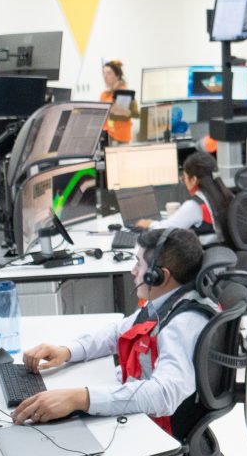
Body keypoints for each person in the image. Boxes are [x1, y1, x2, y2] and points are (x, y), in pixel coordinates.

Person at [12, 228, 213, 431]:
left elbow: (164, 394)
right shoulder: (168, 301)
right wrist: (67, 351)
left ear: (160, 276)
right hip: (143, 411)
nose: (133, 271)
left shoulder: (183, 325)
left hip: (156, 429)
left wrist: (81, 398)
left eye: (139, 264)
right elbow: (119, 331)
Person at [135, 149, 234, 246]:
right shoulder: (227, 196)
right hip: (226, 251)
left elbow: (166, 230)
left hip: (206, 253)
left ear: (194, 179)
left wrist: (149, 224)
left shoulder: (195, 205)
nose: (185, 182)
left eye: (184, 178)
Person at [100, 60, 137, 145]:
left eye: (109, 73)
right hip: (107, 136)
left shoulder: (124, 92)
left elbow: (121, 113)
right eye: (104, 73)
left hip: (120, 138)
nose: (105, 76)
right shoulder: (104, 94)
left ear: (117, 75)